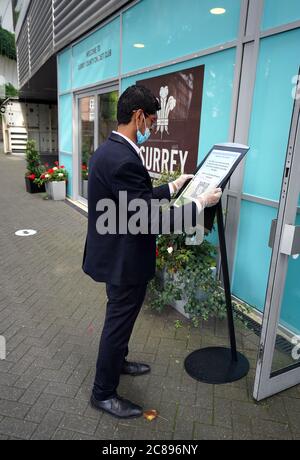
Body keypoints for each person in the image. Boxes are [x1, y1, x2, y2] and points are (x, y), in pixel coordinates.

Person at [82, 85, 222, 419]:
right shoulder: (122, 158)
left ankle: (120, 361)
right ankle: (103, 393)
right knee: (117, 324)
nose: (151, 127)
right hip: (123, 260)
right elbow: (146, 218)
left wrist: (171, 187)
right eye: (151, 120)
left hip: (116, 253)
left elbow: (133, 202)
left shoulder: (110, 150)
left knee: (122, 320)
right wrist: (199, 204)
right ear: (138, 116)